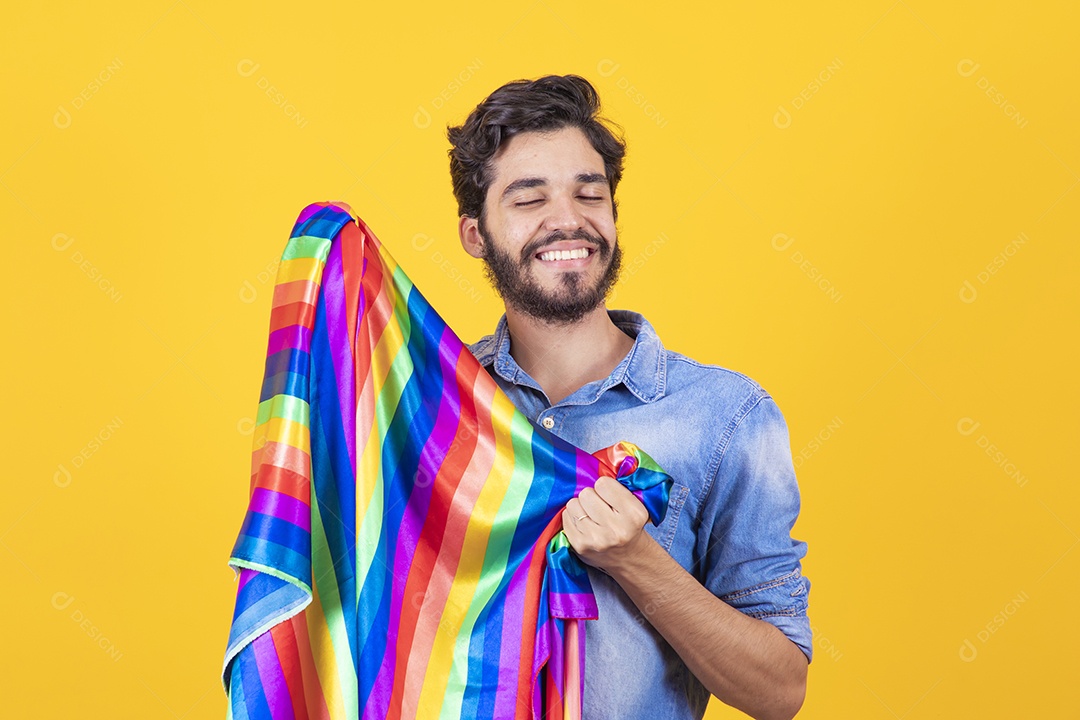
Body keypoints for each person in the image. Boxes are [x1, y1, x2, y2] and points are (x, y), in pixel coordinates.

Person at [447, 75, 811, 720]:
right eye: (530, 199)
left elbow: (778, 691)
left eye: (591, 193)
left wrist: (639, 561)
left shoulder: (729, 416)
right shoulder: (438, 408)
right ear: (475, 234)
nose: (570, 220)